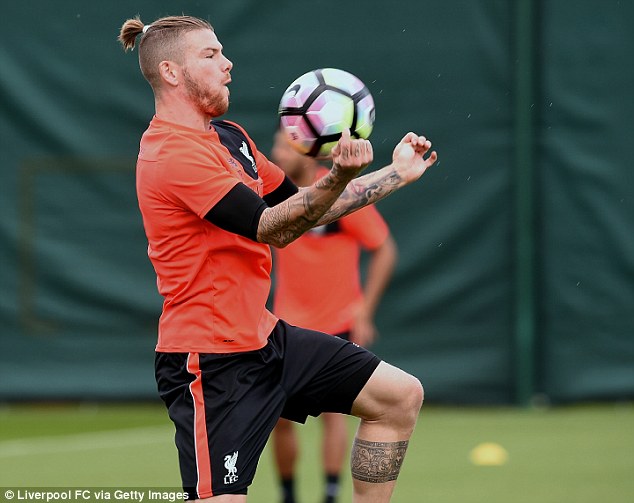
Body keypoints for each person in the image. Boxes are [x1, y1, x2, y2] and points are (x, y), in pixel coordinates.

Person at [118, 14, 437, 503]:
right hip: (210, 360)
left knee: (398, 397)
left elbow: (300, 210)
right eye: (211, 55)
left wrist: (396, 174)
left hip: (265, 337)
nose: (228, 64)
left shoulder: (232, 139)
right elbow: (271, 226)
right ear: (171, 72)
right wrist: (334, 177)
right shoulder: (169, 152)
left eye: (223, 52)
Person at [270, 131, 398, 503]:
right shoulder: (277, 196)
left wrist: (364, 309)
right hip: (287, 323)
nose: (276, 152)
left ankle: (328, 494)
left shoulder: (338, 198)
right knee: (278, 418)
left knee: (334, 414)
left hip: (336, 321)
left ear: (308, 153)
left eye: (283, 146)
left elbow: (385, 249)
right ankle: (289, 495)